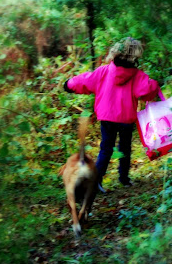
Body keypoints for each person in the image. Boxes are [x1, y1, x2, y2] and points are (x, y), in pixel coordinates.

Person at [64, 37, 160, 191]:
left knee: (106, 149)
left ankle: (96, 181)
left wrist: (69, 84)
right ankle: (124, 178)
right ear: (135, 56)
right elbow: (147, 90)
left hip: (107, 117)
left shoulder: (103, 71)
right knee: (125, 148)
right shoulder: (137, 75)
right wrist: (154, 84)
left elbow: (86, 80)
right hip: (126, 118)